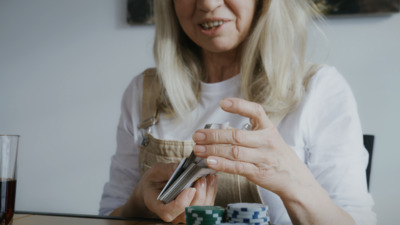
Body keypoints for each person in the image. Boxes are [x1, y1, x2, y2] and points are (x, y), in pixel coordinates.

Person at [100, 0, 377, 224]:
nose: (208, 4)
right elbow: (105, 217)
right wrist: (139, 201)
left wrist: (293, 181)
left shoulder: (320, 89)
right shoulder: (144, 92)